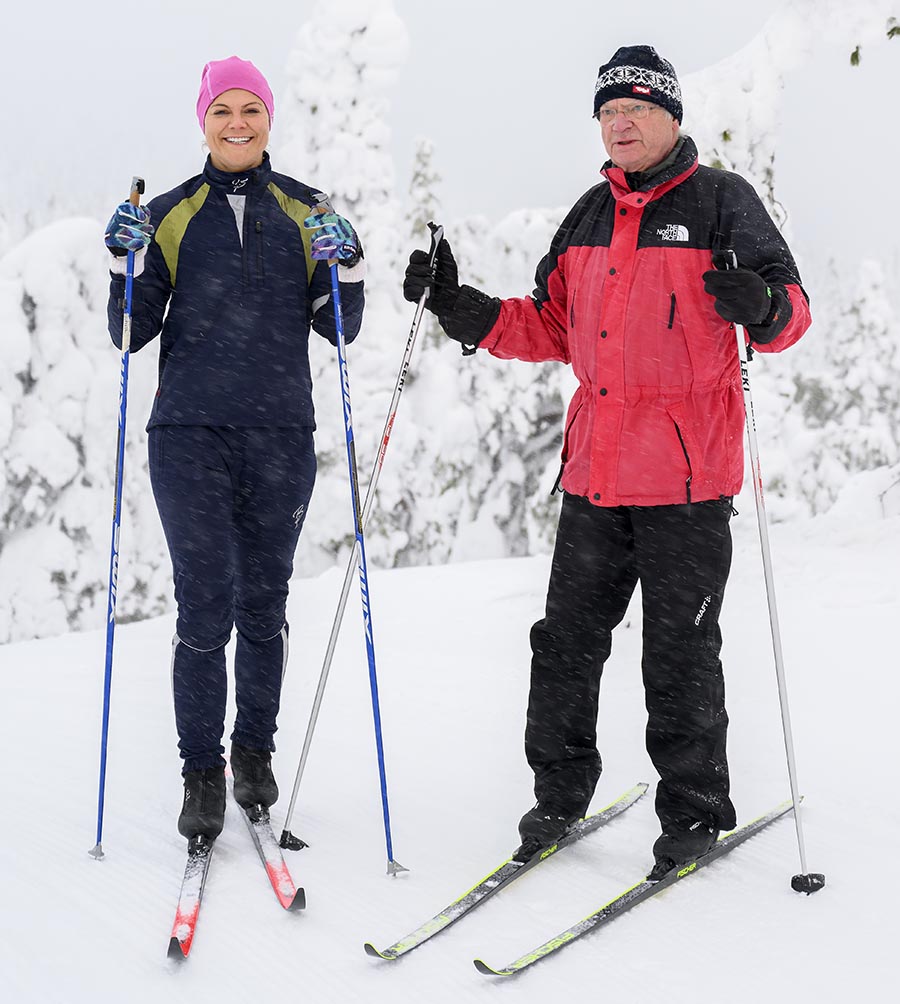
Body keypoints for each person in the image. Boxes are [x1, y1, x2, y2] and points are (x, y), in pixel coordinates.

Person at [403, 45, 811, 878]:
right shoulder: (589, 215)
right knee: (563, 644)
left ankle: (694, 814)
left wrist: (763, 305)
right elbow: (550, 325)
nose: (619, 123)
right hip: (595, 475)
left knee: (679, 654)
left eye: (636, 109)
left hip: (689, 485)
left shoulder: (723, 203)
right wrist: (465, 308)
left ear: (669, 117)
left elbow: (792, 314)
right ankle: (558, 797)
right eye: (607, 112)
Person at [104, 56, 365, 842]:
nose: (238, 122)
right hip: (188, 435)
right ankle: (201, 772)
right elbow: (129, 330)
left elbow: (339, 326)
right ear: (204, 121)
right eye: (224, 110)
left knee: (264, 603)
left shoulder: (304, 207)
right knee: (205, 602)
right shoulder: (173, 213)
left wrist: (347, 265)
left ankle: (253, 753)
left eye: (251, 108)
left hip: (281, 432)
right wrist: (125, 259)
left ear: (269, 118)